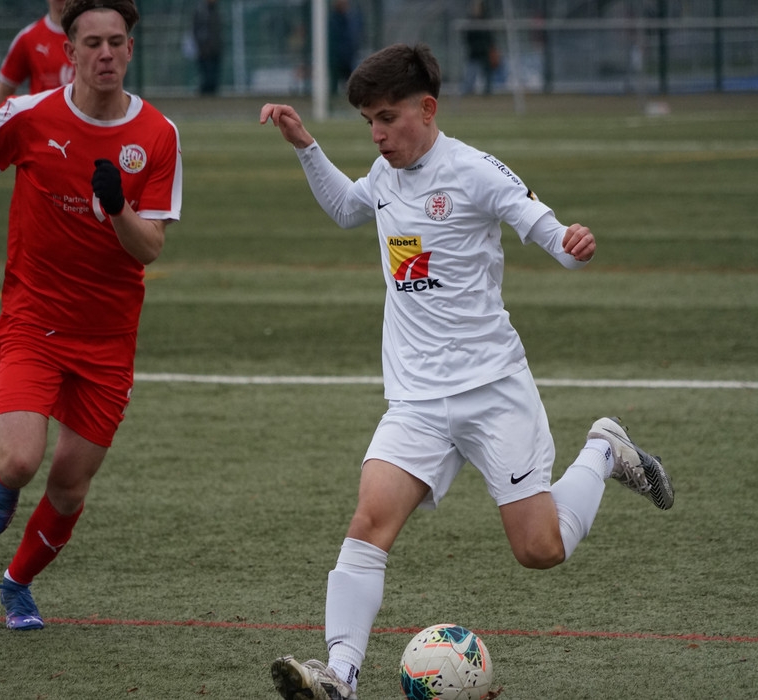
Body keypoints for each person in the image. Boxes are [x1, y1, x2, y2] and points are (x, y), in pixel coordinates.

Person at [260, 43, 673, 700]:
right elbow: (345, 209)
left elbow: (549, 233)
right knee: (369, 523)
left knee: (539, 549)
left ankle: (603, 451)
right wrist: (306, 145)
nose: (377, 135)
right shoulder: (385, 174)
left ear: (427, 109)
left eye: (388, 118)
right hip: (416, 402)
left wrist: (574, 245)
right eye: (369, 121)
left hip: (492, 391)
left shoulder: (475, 171)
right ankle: (340, 674)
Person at [0, 0, 182, 631]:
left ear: (130, 49)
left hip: (109, 337)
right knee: (21, 461)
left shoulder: (158, 134)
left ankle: (16, 585)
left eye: (116, 42)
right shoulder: (30, 115)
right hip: (35, 321)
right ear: (69, 52)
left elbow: (149, 248)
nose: (106, 53)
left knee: (70, 485)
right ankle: (4, 479)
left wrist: (117, 208)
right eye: (92, 43)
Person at [0, 0, 73, 118]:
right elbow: (4, 88)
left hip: (84, 124)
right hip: (43, 125)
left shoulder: (92, 35)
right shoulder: (28, 38)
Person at [462, 0, 496, 95]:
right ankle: (467, 92)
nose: (476, 9)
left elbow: (490, 37)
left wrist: (489, 48)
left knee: (487, 74)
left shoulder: (487, 20)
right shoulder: (470, 21)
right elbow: (467, 37)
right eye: (475, 7)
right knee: (470, 74)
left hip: (485, 52)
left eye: (478, 7)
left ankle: (487, 92)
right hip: (474, 52)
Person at [328, 0, 361, 95]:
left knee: (351, 81)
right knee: (335, 81)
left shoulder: (350, 19)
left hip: (348, 56)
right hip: (337, 58)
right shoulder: (333, 20)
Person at [192, 0, 223, 95]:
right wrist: (202, 46)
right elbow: (196, 30)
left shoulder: (216, 10)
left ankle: (212, 96)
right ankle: (204, 96)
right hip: (205, 50)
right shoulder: (201, 11)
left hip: (215, 49)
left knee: (214, 78)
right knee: (206, 77)